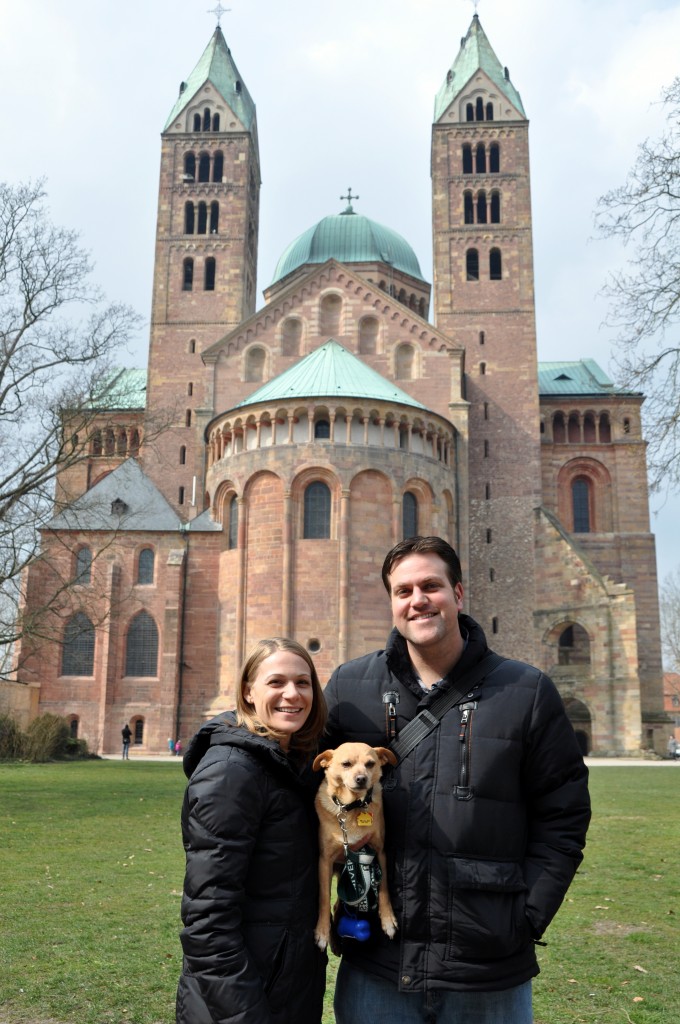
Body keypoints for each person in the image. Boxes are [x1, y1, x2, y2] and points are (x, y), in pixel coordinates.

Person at [324, 536, 591, 1024]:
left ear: (459, 594)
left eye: (431, 585)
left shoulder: (525, 690)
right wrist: (226, 738)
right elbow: (290, 763)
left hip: (486, 969)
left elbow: (564, 815)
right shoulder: (350, 687)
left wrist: (525, 917)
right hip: (378, 963)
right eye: (403, 590)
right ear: (391, 603)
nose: (417, 599)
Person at [176, 637, 328, 1024]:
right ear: (248, 690)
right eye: (276, 682)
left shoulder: (289, 764)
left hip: (284, 987)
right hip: (238, 1002)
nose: (292, 694)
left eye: (303, 682)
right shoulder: (232, 771)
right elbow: (208, 922)